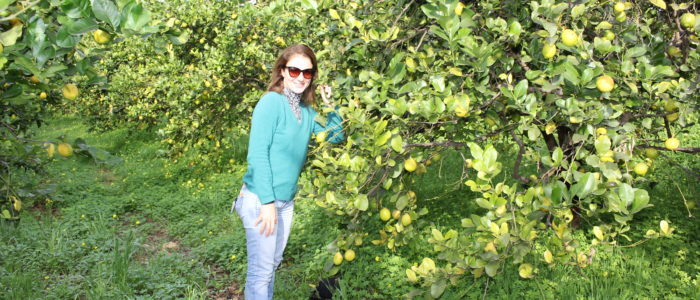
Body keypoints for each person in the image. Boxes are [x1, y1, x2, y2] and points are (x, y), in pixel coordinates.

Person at [232, 44, 344, 299]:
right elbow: (258, 156)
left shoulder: (306, 111)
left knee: (270, 266)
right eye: (294, 71)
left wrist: (332, 105)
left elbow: (335, 137)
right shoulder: (271, 103)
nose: (301, 78)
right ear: (282, 71)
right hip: (261, 199)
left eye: (307, 73)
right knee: (261, 272)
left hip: (285, 202)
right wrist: (267, 203)